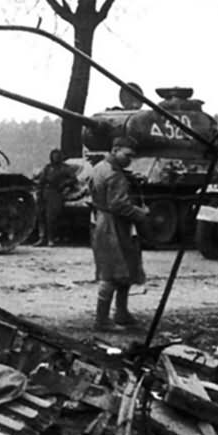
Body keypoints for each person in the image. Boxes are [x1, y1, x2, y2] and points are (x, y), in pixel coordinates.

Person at [90, 137, 151, 331]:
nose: (129, 160)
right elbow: (118, 205)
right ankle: (102, 320)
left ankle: (122, 313)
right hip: (113, 226)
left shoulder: (99, 167)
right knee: (112, 273)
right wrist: (141, 214)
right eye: (127, 155)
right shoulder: (114, 175)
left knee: (126, 269)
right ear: (115, 150)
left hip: (103, 222)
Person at [33, 149, 78, 246]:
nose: (55, 157)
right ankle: (42, 237)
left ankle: (51, 238)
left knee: (51, 217)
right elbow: (42, 180)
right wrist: (39, 193)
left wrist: (64, 184)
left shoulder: (65, 168)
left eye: (57, 156)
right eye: (53, 155)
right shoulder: (48, 168)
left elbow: (73, 179)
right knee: (41, 215)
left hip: (56, 193)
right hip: (45, 192)